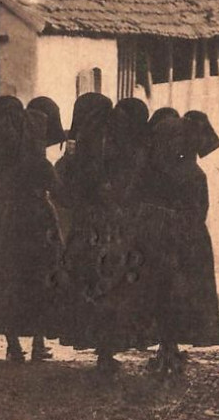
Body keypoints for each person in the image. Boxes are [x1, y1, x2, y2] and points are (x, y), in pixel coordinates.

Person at [0, 96, 66, 362]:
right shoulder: (39, 164)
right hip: (36, 220)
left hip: (3, 221)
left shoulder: (0, 165)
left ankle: (12, 346)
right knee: (39, 278)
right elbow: (61, 192)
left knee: (7, 280)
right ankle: (38, 342)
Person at [57, 94, 151, 374]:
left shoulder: (89, 141)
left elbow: (72, 187)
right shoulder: (121, 140)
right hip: (117, 224)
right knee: (113, 283)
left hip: (91, 225)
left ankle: (103, 347)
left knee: (92, 281)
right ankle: (107, 349)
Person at [138, 108, 219, 375]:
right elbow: (200, 211)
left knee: (161, 294)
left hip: (159, 238)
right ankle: (170, 349)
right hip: (189, 241)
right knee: (181, 295)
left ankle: (166, 347)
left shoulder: (153, 172)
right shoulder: (194, 174)